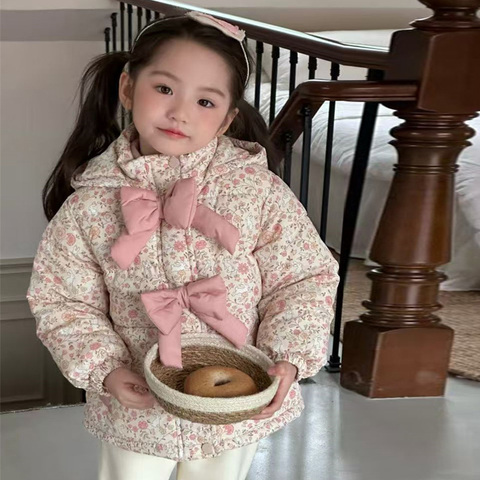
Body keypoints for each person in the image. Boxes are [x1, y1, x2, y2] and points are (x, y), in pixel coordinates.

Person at [27, 11, 339, 480]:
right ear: (128, 88)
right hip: (137, 402)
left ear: (228, 118)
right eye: (164, 89)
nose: (181, 113)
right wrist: (106, 369)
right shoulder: (89, 206)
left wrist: (287, 357)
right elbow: (63, 300)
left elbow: (304, 278)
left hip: (237, 400)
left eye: (206, 101)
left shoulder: (257, 192)